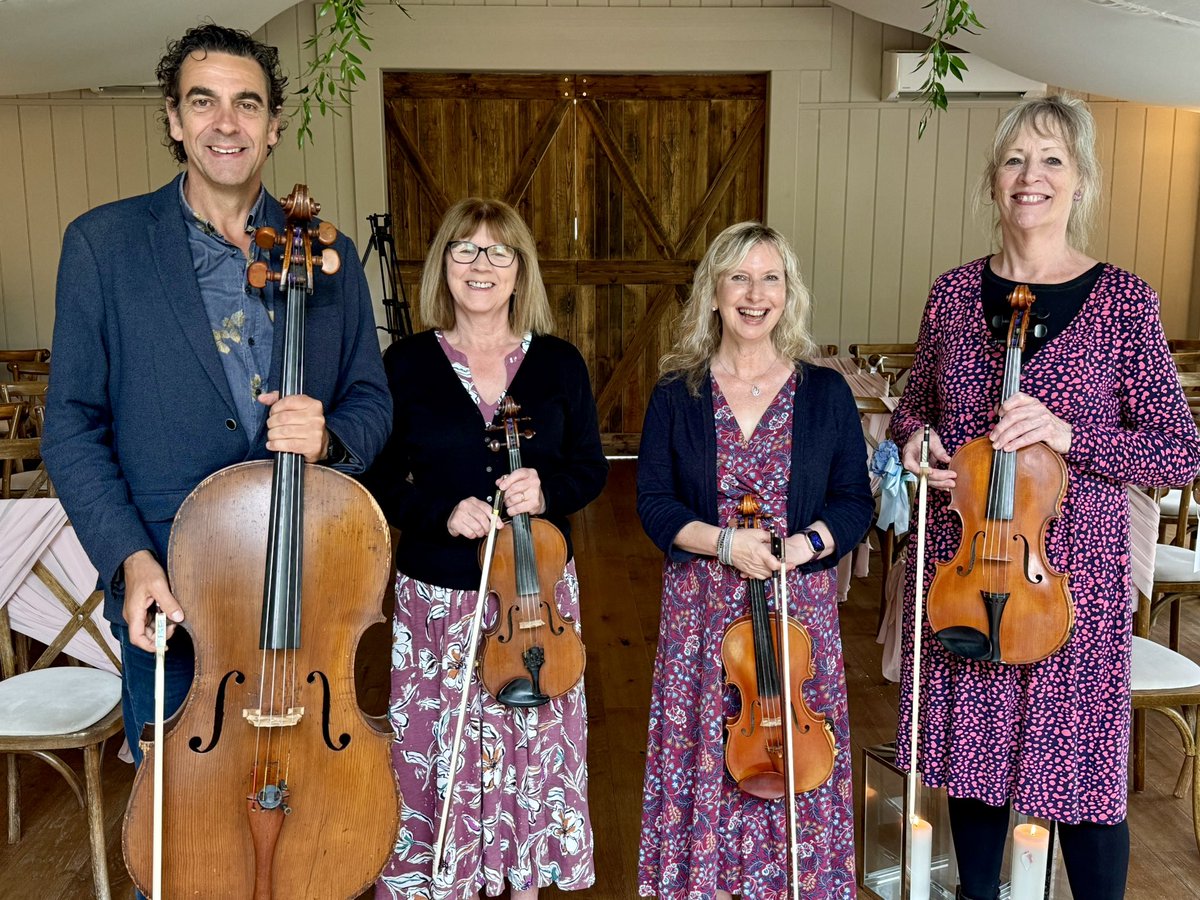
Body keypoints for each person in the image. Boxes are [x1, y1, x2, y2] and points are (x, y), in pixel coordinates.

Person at [42, 23, 391, 764]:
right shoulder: (103, 246)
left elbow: (372, 399)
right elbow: (71, 426)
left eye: (247, 105)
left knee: (310, 800)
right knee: (182, 826)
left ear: (272, 128)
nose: (225, 123)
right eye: (203, 102)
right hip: (171, 582)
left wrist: (329, 437)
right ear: (174, 119)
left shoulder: (325, 255)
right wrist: (131, 559)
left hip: (307, 576)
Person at [891, 94, 1200, 900]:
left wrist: (1072, 435)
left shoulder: (1124, 300)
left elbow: (1179, 446)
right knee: (977, 771)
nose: (1032, 177)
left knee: (1087, 789)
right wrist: (918, 444)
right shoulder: (954, 294)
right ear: (994, 180)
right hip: (968, 565)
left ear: (1081, 181)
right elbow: (913, 410)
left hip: (1073, 580)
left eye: (1052, 160)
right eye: (1016, 160)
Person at [365, 198, 608, 900]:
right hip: (440, 593)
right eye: (465, 250)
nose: (481, 265)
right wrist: (442, 511)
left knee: (534, 737)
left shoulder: (559, 363)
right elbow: (377, 479)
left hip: (535, 593)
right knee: (443, 742)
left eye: (499, 252)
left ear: (520, 270)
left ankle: (522, 876)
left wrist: (548, 490)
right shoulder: (406, 363)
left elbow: (591, 468)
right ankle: (445, 875)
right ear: (444, 264)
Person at [636, 221, 874, 899]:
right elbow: (651, 502)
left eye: (771, 278)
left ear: (788, 294)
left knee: (794, 759)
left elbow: (854, 503)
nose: (754, 293)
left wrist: (805, 546)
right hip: (701, 618)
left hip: (797, 621)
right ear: (712, 292)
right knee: (707, 756)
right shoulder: (676, 393)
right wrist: (723, 543)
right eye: (738, 276)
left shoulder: (824, 394)